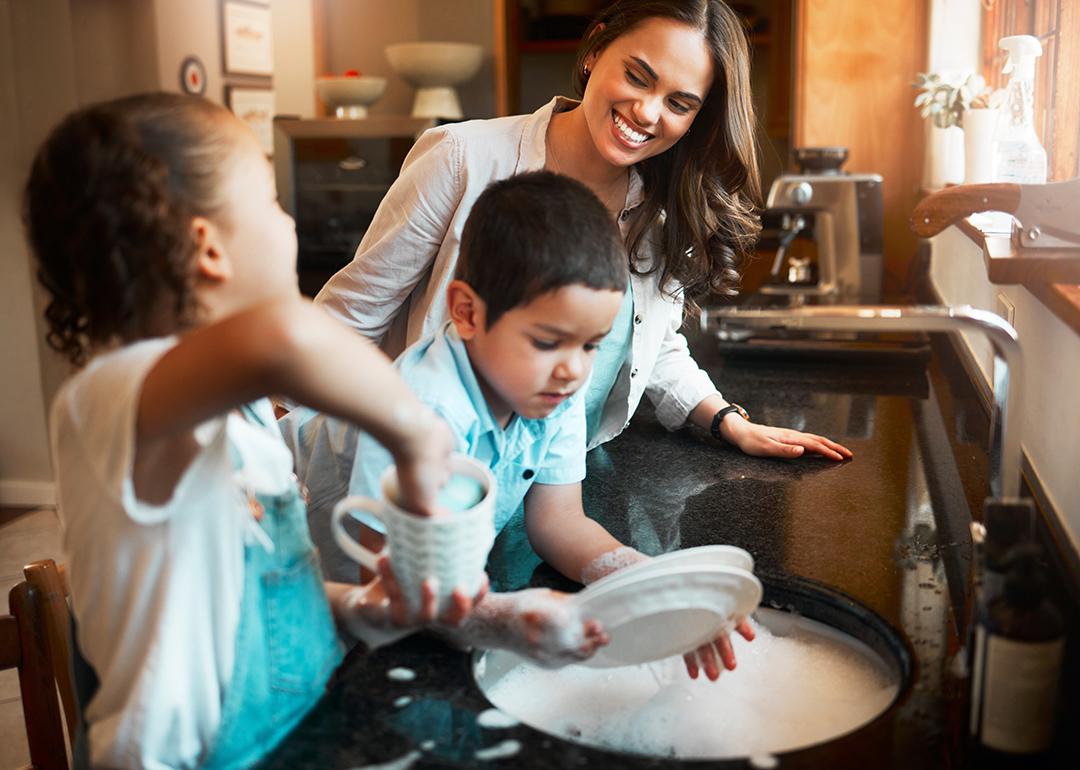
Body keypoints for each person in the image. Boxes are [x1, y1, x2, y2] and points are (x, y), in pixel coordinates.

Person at [23, 93, 485, 770]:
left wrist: (361, 606)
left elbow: (249, 594)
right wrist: (417, 436)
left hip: (293, 733)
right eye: (271, 200)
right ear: (207, 248)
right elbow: (284, 337)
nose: (289, 220)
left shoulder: (241, 417)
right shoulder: (110, 398)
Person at [314, 0, 853, 463]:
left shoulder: (664, 209)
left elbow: (652, 344)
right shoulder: (462, 159)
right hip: (426, 476)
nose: (646, 112)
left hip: (559, 482)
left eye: (679, 103)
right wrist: (265, 461)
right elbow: (349, 319)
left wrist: (726, 421)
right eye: (638, 76)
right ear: (595, 49)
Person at [344, 170, 752, 679]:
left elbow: (558, 523)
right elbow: (388, 585)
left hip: (442, 592)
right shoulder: (422, 412)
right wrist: (498, 619)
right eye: (545, 342)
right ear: (467, 312)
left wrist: (651, 587)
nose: (572, 370)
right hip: (336, 603)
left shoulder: (549, 390)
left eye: (590, 345)